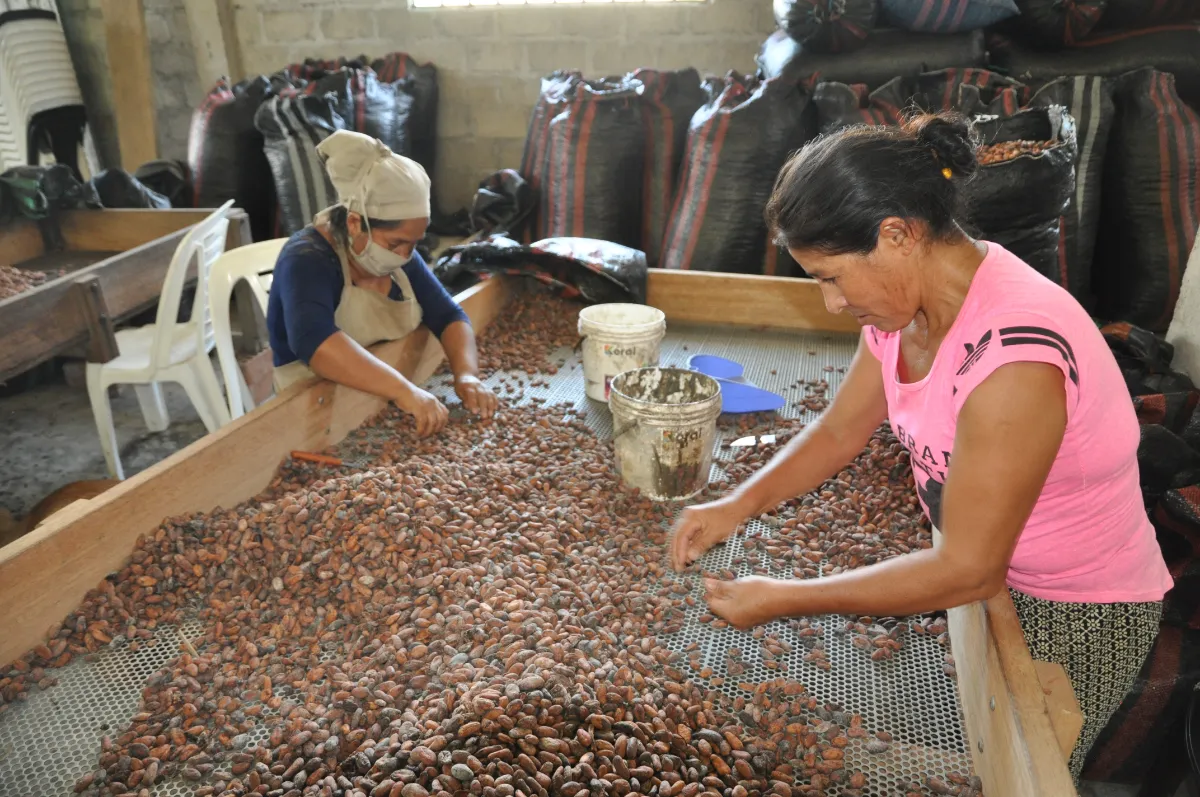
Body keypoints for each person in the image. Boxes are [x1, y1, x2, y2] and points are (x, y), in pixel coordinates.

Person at [670, 111, 1172, 778]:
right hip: (986, 563)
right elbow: (839, 430)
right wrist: (734, 505)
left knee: (1027, 772)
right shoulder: (901, 309)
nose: (830, 303)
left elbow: (968, 570)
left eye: (831, 276)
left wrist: (784, 596)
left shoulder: (1013, 360)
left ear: (897, 235)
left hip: (1076, 607)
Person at [267, 130, 498, 435]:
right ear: (354, 222)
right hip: (311, 414)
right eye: (395, 243)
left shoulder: (400, 257)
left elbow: (448, 315)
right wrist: (403, 391)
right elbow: (316, 342)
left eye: (414, 244)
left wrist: (466, 374)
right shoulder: (307, 259)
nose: (405, 255)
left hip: (381, 403)